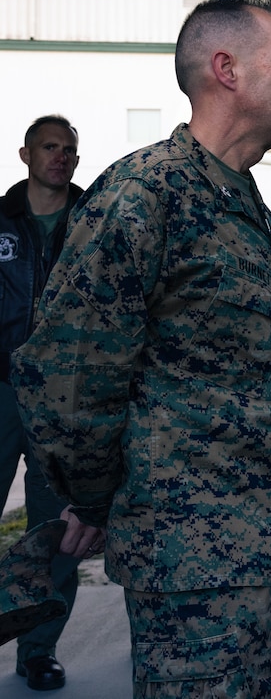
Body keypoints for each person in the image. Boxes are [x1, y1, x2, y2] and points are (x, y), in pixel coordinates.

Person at [12, 0, 271, 698]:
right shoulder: (146, 194)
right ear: (226, 70)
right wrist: (94, 498)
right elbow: (68, 378)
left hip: (267, 559)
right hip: (193, 571)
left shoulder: (238, 197)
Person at [0, 114, 105, 691]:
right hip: (0, 392)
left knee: (57, 526)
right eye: (49, 147)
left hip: (66, 401)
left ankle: (39, 650)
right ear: (25, 155)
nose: (60, 158)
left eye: (69, 150)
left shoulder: (94, 224)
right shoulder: (0, 220)